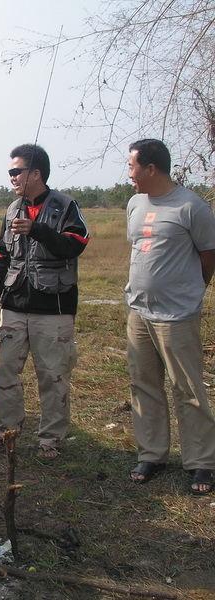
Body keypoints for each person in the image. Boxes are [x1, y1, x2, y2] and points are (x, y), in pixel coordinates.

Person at [0, 144, 90, 459]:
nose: (11, 177)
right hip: (13, 305)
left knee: (53, 375)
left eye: (17, 171)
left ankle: (51, 440)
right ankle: (6, 431)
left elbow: (76, 244)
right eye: (10, 172)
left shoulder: (66, 205)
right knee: (4, 370)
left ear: (36, 173)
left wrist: (38, 230)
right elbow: (1, 252)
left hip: (53, 308)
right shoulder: (12, 209)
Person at [124, 138, 215, 495]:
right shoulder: (134, 203)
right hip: (139, 311)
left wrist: (193, 290)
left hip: (177, 315)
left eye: (132, 166)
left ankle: (202, 462)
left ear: (151, 168)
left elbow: (209, 256)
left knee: (188, 388)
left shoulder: (192, 207)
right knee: (143, 384)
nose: (128, 173)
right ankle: (152, 454)